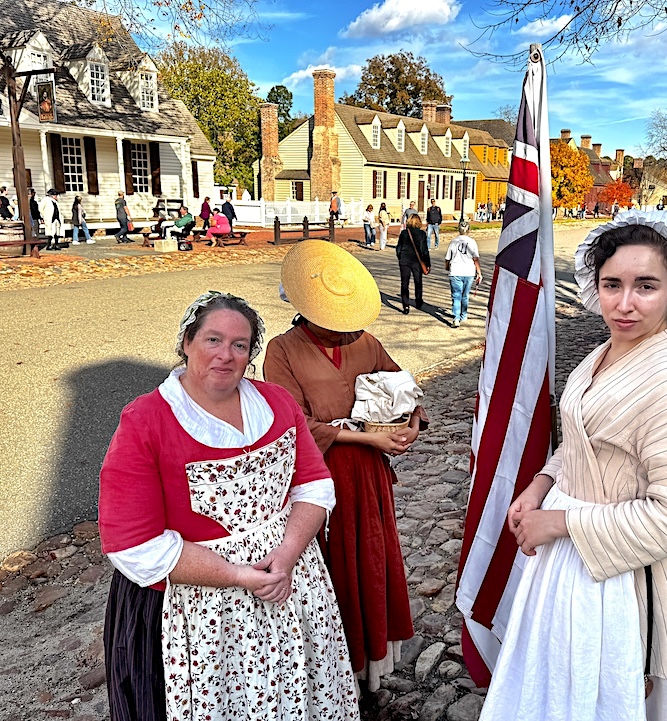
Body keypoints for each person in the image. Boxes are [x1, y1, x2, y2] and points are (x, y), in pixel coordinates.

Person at [479, 210, 667, 721]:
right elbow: (582, 440)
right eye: (612, 285)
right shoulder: (605, 351)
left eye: (645, 286)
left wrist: (557, 524)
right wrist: (540, 484)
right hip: (565, 560)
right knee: (556, 685)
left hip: (621, 578)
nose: (624, 304)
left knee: (597, 693)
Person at [99, 290, 359, 721]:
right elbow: (133, 543)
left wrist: (288, 555)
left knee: (303, 692)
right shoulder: (146, 420)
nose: (226, 355)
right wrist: (239, 575)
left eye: (240, 345)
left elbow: (313, 485)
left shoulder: (276, 403)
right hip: (196, 610)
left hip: (291, 585)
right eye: (213, 340)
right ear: (187, 342)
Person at [263, 241, 426, 691]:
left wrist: (411, 423)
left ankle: (372, 664)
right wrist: (365, 435)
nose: (341, 331)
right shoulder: (282, 350)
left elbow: (404, 388)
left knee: (371, 559)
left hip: (370, 477)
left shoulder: (367, 343)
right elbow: (291, 424)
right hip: (322, 478)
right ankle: (334, 666)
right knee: (334, 568)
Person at [445, 220, 482, 328]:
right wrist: (479, 273)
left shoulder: (453, 242)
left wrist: (447, 267)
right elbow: (475, 259)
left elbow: (448, 258)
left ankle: (456, 318)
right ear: (468, 230)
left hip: (456, 271)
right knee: (465, 296)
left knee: (456, 296)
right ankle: (463, 315)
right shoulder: (472, 242)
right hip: (468, 272)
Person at [396, 213, 430, 314]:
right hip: (416, 261)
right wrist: (427, 263)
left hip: (405, 260)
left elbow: (398, 248)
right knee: (418, 281)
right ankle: (418, 300)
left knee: (404, 283)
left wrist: (400, 257)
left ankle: (405, 305)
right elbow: (424, 250)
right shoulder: (422, 234)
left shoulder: (404, 233)